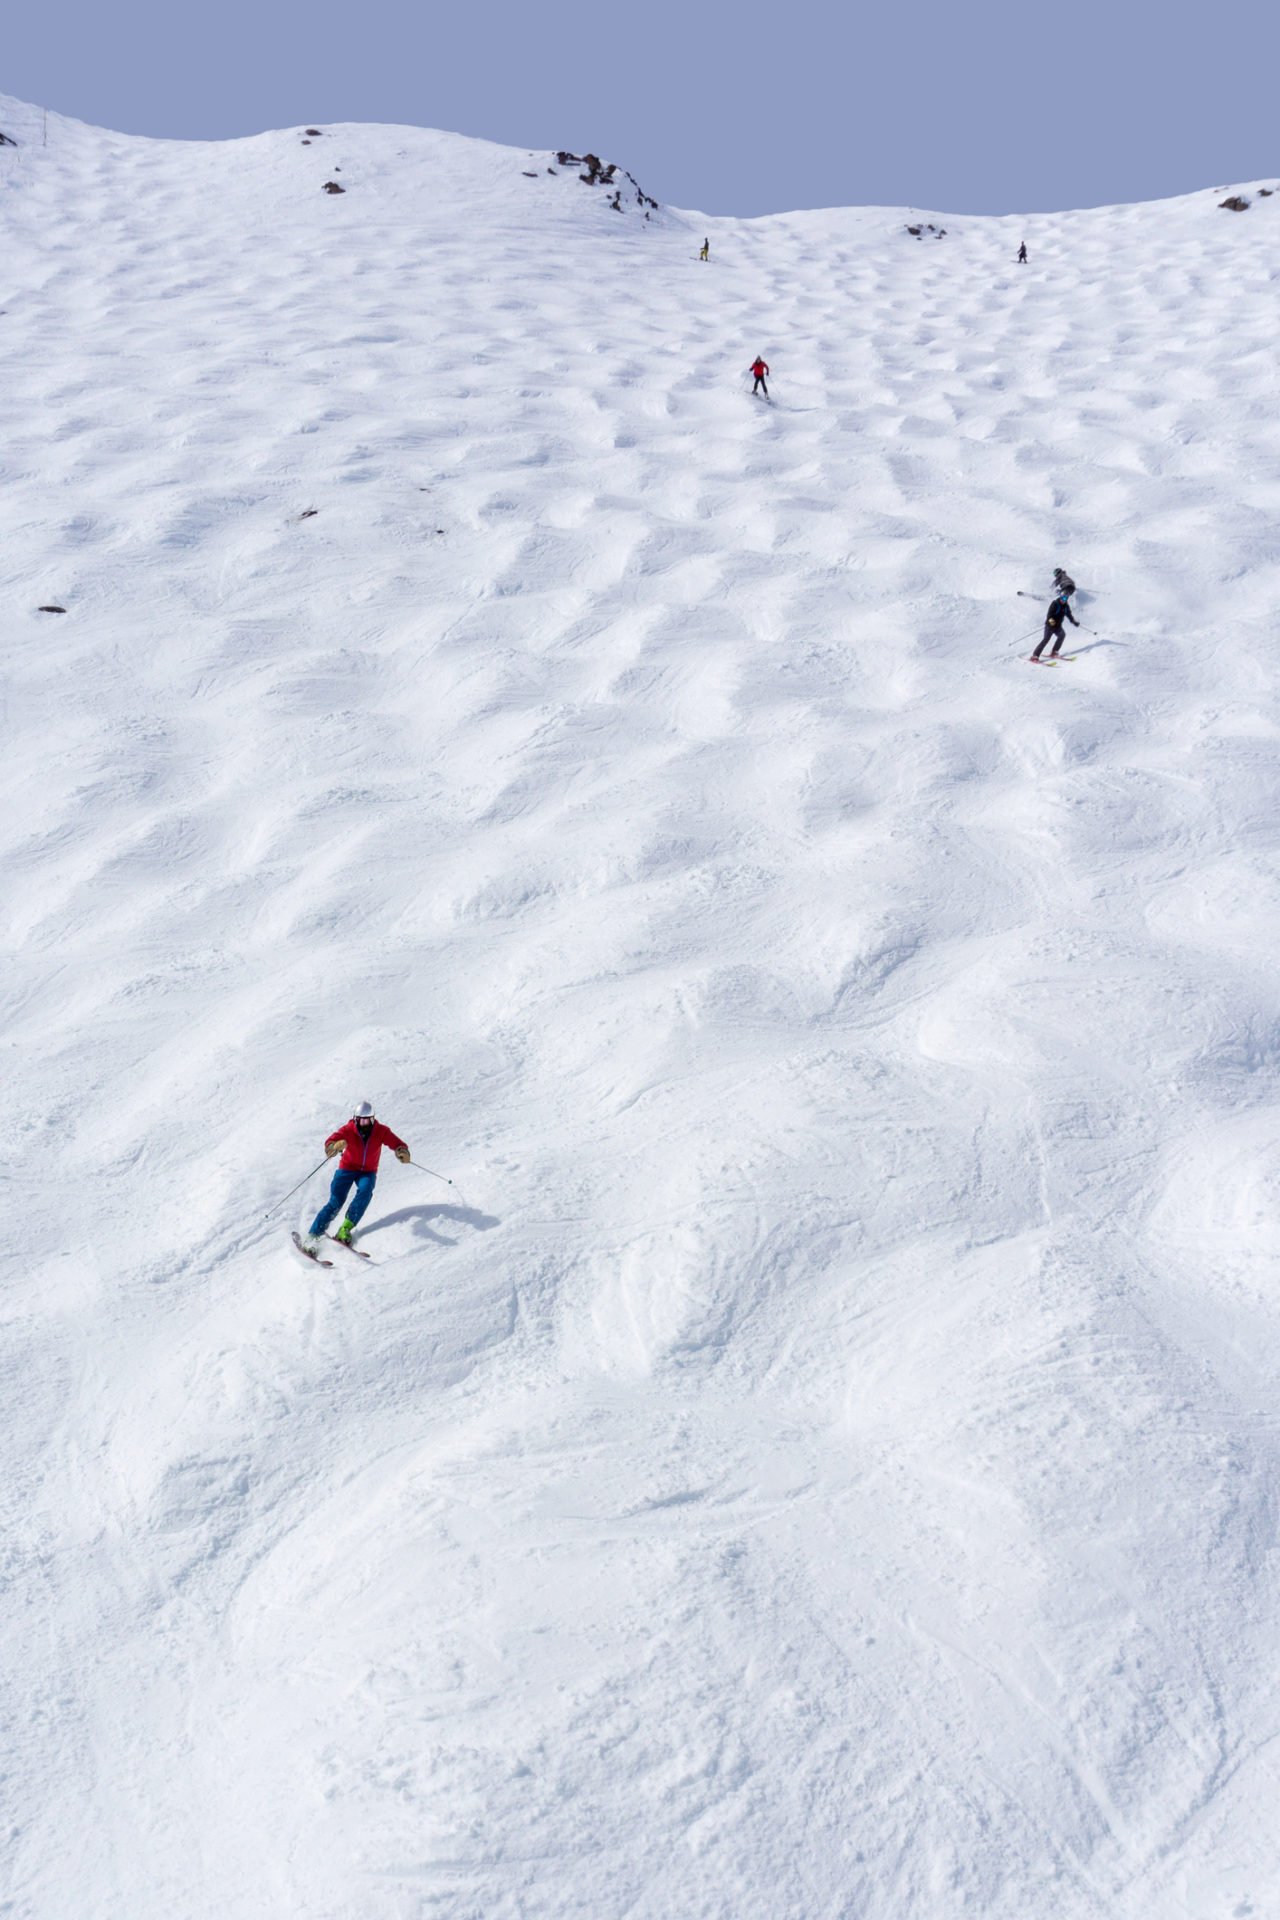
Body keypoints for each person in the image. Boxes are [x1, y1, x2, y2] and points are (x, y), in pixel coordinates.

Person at [306, 1101, 409, 1246]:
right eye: (361, 1120)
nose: (364, 1123)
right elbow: (330, 1141)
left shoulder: (381, 1131)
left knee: (366, 1191)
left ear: (373, 1119)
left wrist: (402, 1151)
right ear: (355, 1119)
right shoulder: (349, 1129)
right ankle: (314, 1235)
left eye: (367, 1120)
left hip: (367, 1171)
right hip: (347, 1168)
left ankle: (345, 1229)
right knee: (336, 1201)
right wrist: (334, 1146)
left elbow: (397, 1143)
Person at [1031, 592, 1079, 661]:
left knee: (1062, 635)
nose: (1064, 600)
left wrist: (1074, 622)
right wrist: (1052, 624)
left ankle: (1054, 651)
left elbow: (1069, 615)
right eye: (1062, 598)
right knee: (1046, 639)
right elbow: (1049, 615)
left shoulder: (1066, 606)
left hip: (1058, 626)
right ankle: (1035, 655)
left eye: (1066, 598)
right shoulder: (1055, 604)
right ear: (1060, 597)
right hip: (1050, 625)